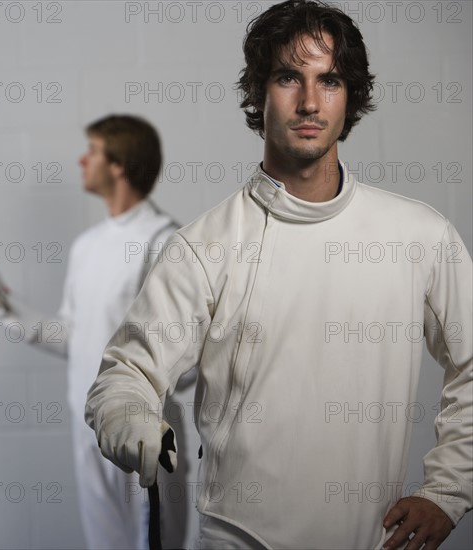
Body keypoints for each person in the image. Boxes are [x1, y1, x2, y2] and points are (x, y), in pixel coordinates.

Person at [84, 2, 472, 549]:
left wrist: (448, 489)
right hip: (237, 539)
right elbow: (124, 374)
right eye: (290, 77)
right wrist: (128, 419)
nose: (310, 102)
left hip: (371, 539)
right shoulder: (204, 247)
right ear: (258, 93)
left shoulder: (419, 236)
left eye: (329, 80)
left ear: (349, 96)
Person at [0, 114, 189, 549]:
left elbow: (183, 352)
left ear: (118, 164)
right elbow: (74, 335)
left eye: (92, 151)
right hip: (86, 425)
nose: (81, 160)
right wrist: (3, 303)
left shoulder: (164, 242)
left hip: (140, 432)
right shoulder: (86, 246)